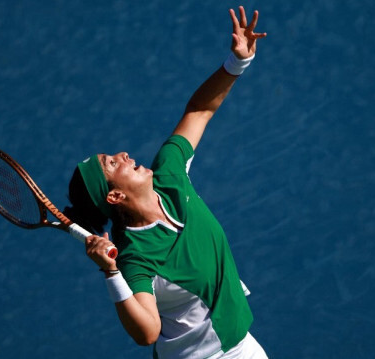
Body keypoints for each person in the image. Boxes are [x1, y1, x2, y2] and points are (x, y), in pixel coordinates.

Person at [63, 6, 269, 359]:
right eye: (113, 163)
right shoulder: (136, 259)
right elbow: (148, 333)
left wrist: (237, 63)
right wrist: (112, 272)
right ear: (114, 195)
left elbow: (198, 111)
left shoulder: (170, 174)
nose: (124, 154)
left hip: (240, 345)